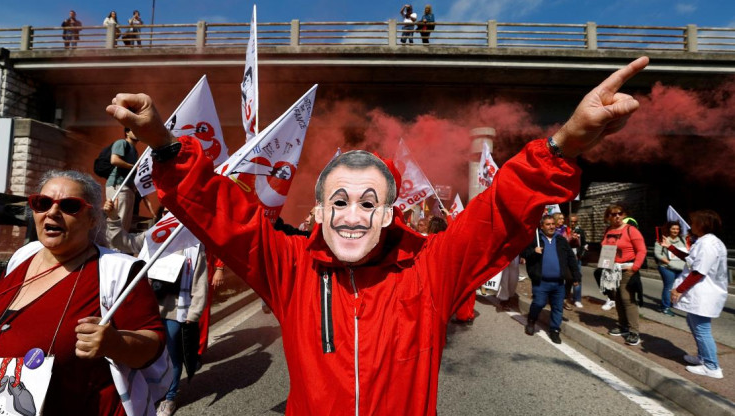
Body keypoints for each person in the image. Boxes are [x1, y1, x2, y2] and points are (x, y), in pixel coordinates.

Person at [105, 56, 650, 416]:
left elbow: (500, 212)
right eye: (338, 201)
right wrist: (165, 142)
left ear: (391, 214)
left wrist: (563, 147)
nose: (352, 215)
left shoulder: (431, 267)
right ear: (318, 211)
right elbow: (225, 214)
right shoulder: (291, 267)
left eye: (369, 202)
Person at [0, 170, 167, 415]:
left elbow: (152, 347)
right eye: (43, 203)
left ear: (93, 218)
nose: (52, 212)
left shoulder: (118, 270)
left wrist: (116, 343)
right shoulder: (23, 256)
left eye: (70, 206)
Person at [103, 200, 209, 416]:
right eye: (166, 212)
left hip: (176, 310)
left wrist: (193, 314)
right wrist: (113, 217)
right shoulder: (151, 238)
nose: (170, 217)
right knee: (144, 350)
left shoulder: (194, 245)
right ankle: (148, 391)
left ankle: (169, 398)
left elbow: (200, 282)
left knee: (171, 355)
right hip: (146, 306)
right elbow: (124, 243)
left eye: (175, 213)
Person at [664, 210, 727, 379]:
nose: (690, 225)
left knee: (702, 329)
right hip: (700, 292)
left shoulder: (708, 244)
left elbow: (698, 272)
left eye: (693, 222)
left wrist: (678, 290)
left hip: (705, 293)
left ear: (703, 224)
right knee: (694, 324)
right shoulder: (704, 242)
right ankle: (702, 358)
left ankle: (712, 367)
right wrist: (670, 247)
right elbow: (691, 259)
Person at [522, 215, 581, 344]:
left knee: (558, 307)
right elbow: (523, 253)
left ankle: (554, 330)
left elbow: (571, 258)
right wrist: (533, 251)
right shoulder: (535, 238)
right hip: (541, 282)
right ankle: (531, 321)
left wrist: (576, 276)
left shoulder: (561, 240)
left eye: (553, 224)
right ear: (542, 226)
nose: (551, 226)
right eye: (548, 224)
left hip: (559, 283)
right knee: (539, 303)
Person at [599, 203, 646, 346]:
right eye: (613, 214)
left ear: (624, 215)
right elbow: (606, 249)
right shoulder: (608, 230)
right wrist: (604, 267)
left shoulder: (631, 230)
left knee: (627, 299)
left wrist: (635, 267)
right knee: (617, 298)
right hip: (612, 270)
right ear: (608, 217)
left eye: (620, 213)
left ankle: (634, 331)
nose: (617, 216)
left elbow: (642, 250)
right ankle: (623, 325)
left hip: (627, 269)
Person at [105, 127, 139, 234]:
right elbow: (114, 160)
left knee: (125, 223)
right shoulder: (122, 143)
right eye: (135, 130)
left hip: (128, 187)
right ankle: (112, 248)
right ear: (127, 133)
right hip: (119, 186)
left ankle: (119, 247)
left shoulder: (135, 151)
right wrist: (133, 167)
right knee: (118, 219)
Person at [654, 220, 686, 316]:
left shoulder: (682, 240)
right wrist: (668, 262)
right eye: (673, 229)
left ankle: (670, 303)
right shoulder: (662, 240)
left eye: (677, 229)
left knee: (676, 287)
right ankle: (665, 307)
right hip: (667, 268)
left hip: (680, 268)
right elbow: (657, 254)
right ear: (669, 229)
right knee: (669, 287)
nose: (675, 230)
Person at [566, 213, 587, 308]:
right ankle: (564, 296)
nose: (573, 223)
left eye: (575, 221)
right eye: (571, 221)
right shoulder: (564, 230)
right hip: (566, 257)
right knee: (566, 277)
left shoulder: (580, 231)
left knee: (577, 277)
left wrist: (581, 253)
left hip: (576, 257)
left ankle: (577, 299)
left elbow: (584, 244)